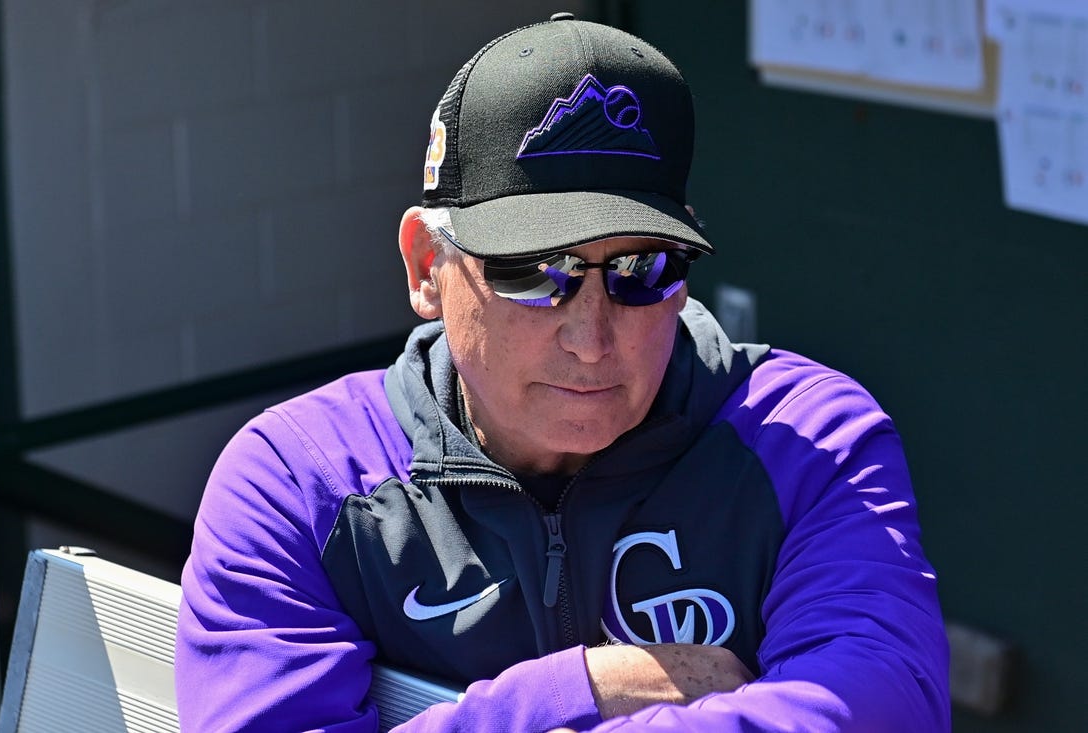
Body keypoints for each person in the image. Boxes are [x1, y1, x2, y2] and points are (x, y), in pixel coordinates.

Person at [175, 13, 949, 733]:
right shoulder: (299, 480)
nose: (590, 336)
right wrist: (580, 687)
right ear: (426, 268)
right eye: (533, 271)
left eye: (641, 268)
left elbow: (879, 705)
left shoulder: (806, 438)